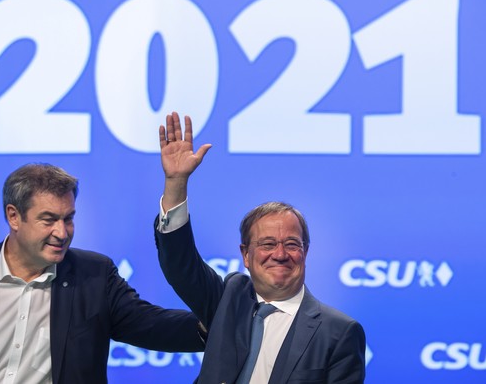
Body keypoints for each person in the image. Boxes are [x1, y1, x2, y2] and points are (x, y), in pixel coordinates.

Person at [0, 163, 205, 384]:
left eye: (68, 219)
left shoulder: (94, 276)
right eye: (49, 220)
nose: (62, 232)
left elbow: (154, 326)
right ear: (14, 216)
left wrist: (219, 322)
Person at [154, 112, 366, 383]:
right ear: (246, 254)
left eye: (291, 244)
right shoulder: (228, 300)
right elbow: (180, 265)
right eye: (267, 244)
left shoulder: (338, 332)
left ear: (305, 252)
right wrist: (176, 184)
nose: (280, 254)